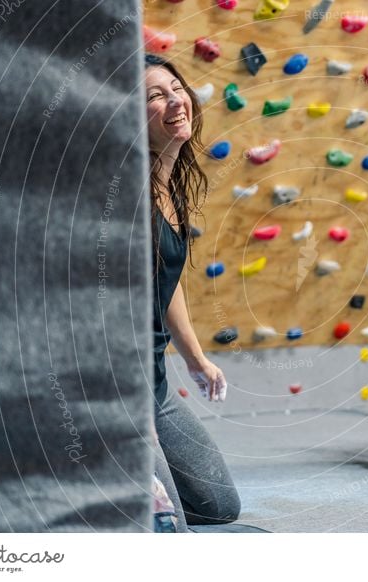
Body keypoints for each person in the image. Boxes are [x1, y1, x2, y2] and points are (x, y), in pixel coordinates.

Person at [144, 53, 240, 529]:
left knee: (219, 507)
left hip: (154, 380)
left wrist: (195, 357)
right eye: (154, 96)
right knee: (166, 528)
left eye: (175, 88)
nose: (174, 101)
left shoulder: (170, 186)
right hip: (115, 388)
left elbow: (168, 279)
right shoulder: (125, 196)